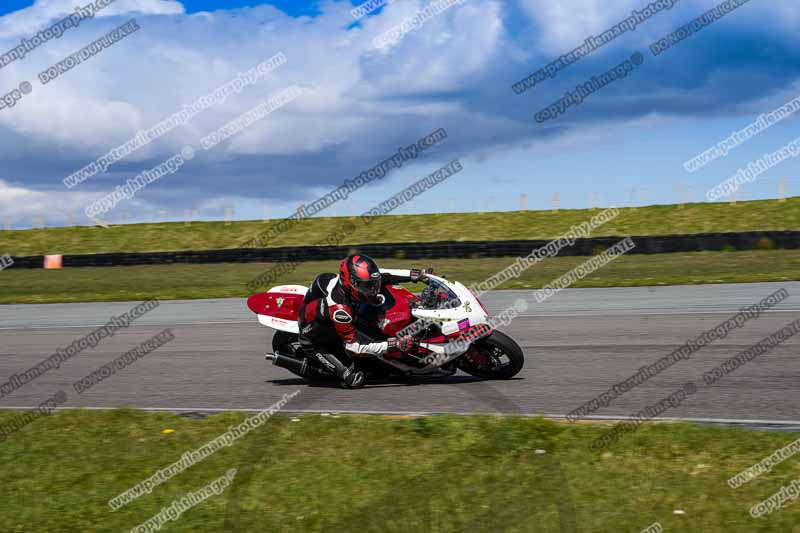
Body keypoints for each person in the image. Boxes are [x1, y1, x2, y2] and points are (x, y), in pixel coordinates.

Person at [298, 253, 432, 388]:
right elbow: (353, 347)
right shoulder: (341, 310)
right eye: (366, 286)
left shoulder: (351, 283)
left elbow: (384, 274)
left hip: (337, 321)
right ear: (349, 283)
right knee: (354, 379)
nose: (373, 290)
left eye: (373, 285)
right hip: (317, 341)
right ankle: (335, 371)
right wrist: (395, 345)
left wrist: (416, 274)